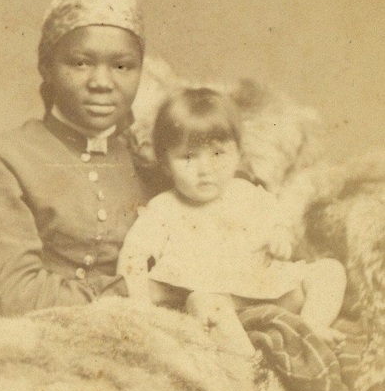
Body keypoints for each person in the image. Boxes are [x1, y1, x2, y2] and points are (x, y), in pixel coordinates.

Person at [0, 0, 152, 320]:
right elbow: (14, 298)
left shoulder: (153, 160)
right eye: (80, 63)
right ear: (46, 68)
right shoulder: (2, 161)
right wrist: (137, 290)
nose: (102, 82)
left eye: (122, 67)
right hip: (34, 338)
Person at [118, 87, 347, 356]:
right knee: (201, 301)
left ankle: (310, 328)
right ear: (166, 163)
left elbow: (279, 228)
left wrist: (280, 240)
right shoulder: (164, 208)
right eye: (188, 157)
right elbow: (133, 256)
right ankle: (247, 361)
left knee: (329, 270)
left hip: (266, 291)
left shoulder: (248, 195)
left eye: (218, 154)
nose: (205, 169)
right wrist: (141, 305)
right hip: (218, 303)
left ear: (238, 154)